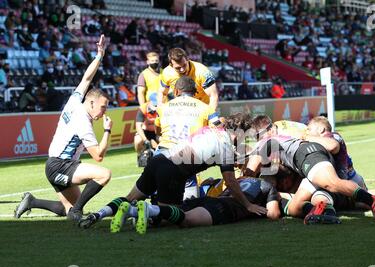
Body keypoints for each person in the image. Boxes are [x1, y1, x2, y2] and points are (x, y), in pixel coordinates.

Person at [79, 113, 267, 230]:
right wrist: (248, 205)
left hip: (159, 160)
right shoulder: (226, 144)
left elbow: (221, 125)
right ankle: (137, 211)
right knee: (171, 215)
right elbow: (231, 183)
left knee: (130, 196)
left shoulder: (214, 126)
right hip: (173, 172)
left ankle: (99, 214)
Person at [14, 35, 113, 222]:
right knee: (104, 174)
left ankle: (32, 201)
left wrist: (99, 56)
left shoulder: (75, 100)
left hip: (54, 164)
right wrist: (107, 130)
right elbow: (98, 156)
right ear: (91, 103)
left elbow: (86, 78)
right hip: (62, 165)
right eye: (103, 107)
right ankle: (76, 212)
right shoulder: (83, 121)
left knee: (68, 209)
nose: (104, 112)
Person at [110, 177, 282, 234]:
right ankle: (149, 209)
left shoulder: (241, 178)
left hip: (208, 199)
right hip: (224, 208)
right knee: (186, 221)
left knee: (169, 219)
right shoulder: (268, 186)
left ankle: (131, 211)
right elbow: (273, 214)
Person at [134, 52, 161, 155]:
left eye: (156, 61)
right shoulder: (144, 74)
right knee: (144, 134)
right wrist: (143, 109)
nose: (154, 63)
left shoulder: (164, 73)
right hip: (149, 108)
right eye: (152, 61)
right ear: (147, 62)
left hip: (162, 107)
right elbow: (140, 92)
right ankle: (142, 156)